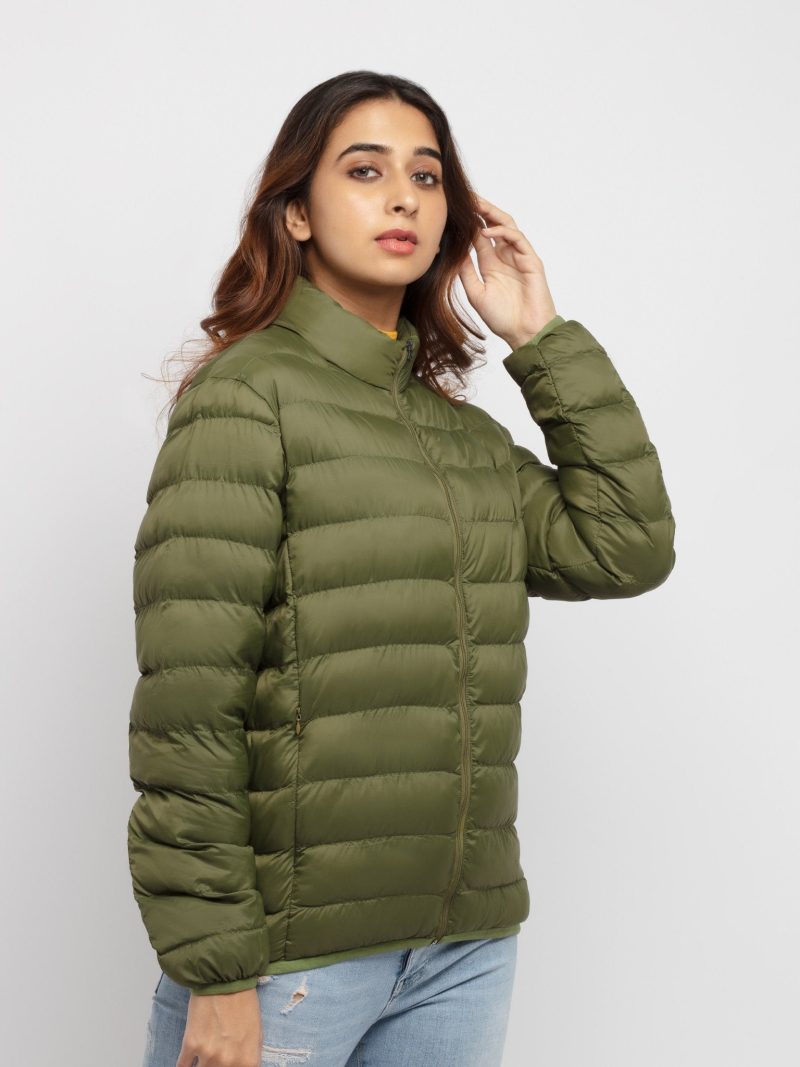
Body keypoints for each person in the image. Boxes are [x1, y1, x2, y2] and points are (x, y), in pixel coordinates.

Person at [128, 70, 676, 1067]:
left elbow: (625, 543)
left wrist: (540, 338)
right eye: (365, 170)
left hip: (463, 950)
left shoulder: (461, 438)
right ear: (296, 212)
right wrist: (215, 970)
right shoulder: (247, 399)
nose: (403, 198)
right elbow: (189, 713)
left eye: (426, 177)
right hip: (291, 963)